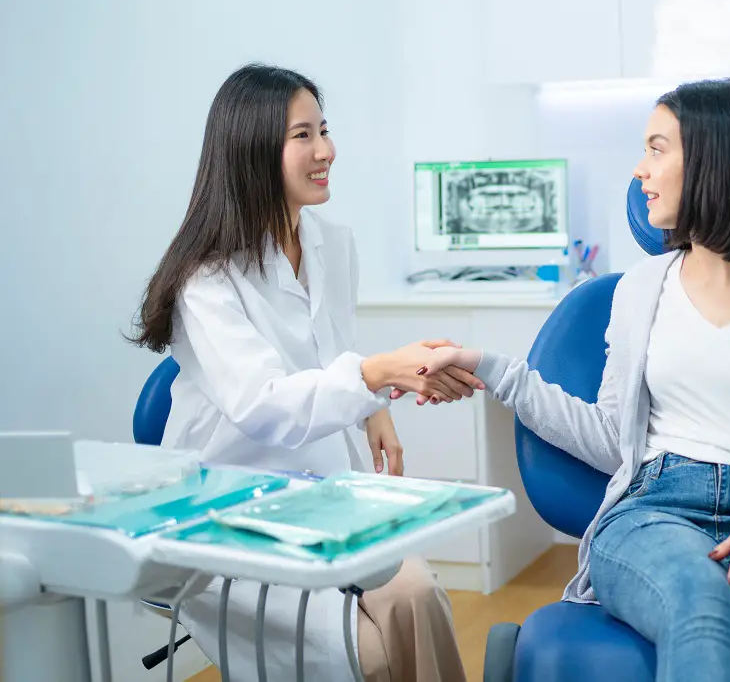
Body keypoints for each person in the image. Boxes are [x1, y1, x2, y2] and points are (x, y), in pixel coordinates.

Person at [413, 78, 730, 681]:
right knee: (700, 605)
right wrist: (493, 369)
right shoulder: (643, 290)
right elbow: (614, 437)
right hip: (657, 508)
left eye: (657, 148)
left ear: (718, 163)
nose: (640, 170)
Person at [129, 63, 479, 682]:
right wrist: (375, 376)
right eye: (303, 135)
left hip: (323, 496)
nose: (326, 150)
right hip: (227, 517)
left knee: (419, 598)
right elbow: (265, 403)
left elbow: (333, 347)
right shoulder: (207, 278)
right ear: (253, 150)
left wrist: (377, 405)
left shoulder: (331, 242)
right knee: (369, 657)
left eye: (325, 130)